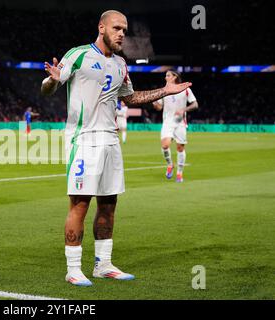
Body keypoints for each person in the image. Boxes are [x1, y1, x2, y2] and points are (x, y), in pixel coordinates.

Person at [41, 10, 192, 286]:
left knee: (109, 204)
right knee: (80, 204)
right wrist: (51, 80)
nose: (122, 33)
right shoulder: (78, 55)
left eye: (124, 29)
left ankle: (104, 264)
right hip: (84, 139)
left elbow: (131, 97)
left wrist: (164, 91)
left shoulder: (121, 63)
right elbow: (48, 88)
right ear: (101, 27)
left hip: (111, 140)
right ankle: (73, 268)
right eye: (117, 28)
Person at [152, 70, 198, 183]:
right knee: (165, 145)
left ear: (174, 77)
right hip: (168, 122)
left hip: (180, 123)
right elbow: (159, 108)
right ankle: (170, 165)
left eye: (168, 75)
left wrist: (184, 110)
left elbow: (195, 104)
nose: (165, 77)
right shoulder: (163, 91)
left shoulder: (185, 89)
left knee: (180, 148)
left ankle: (179, 173)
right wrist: (154, 103)